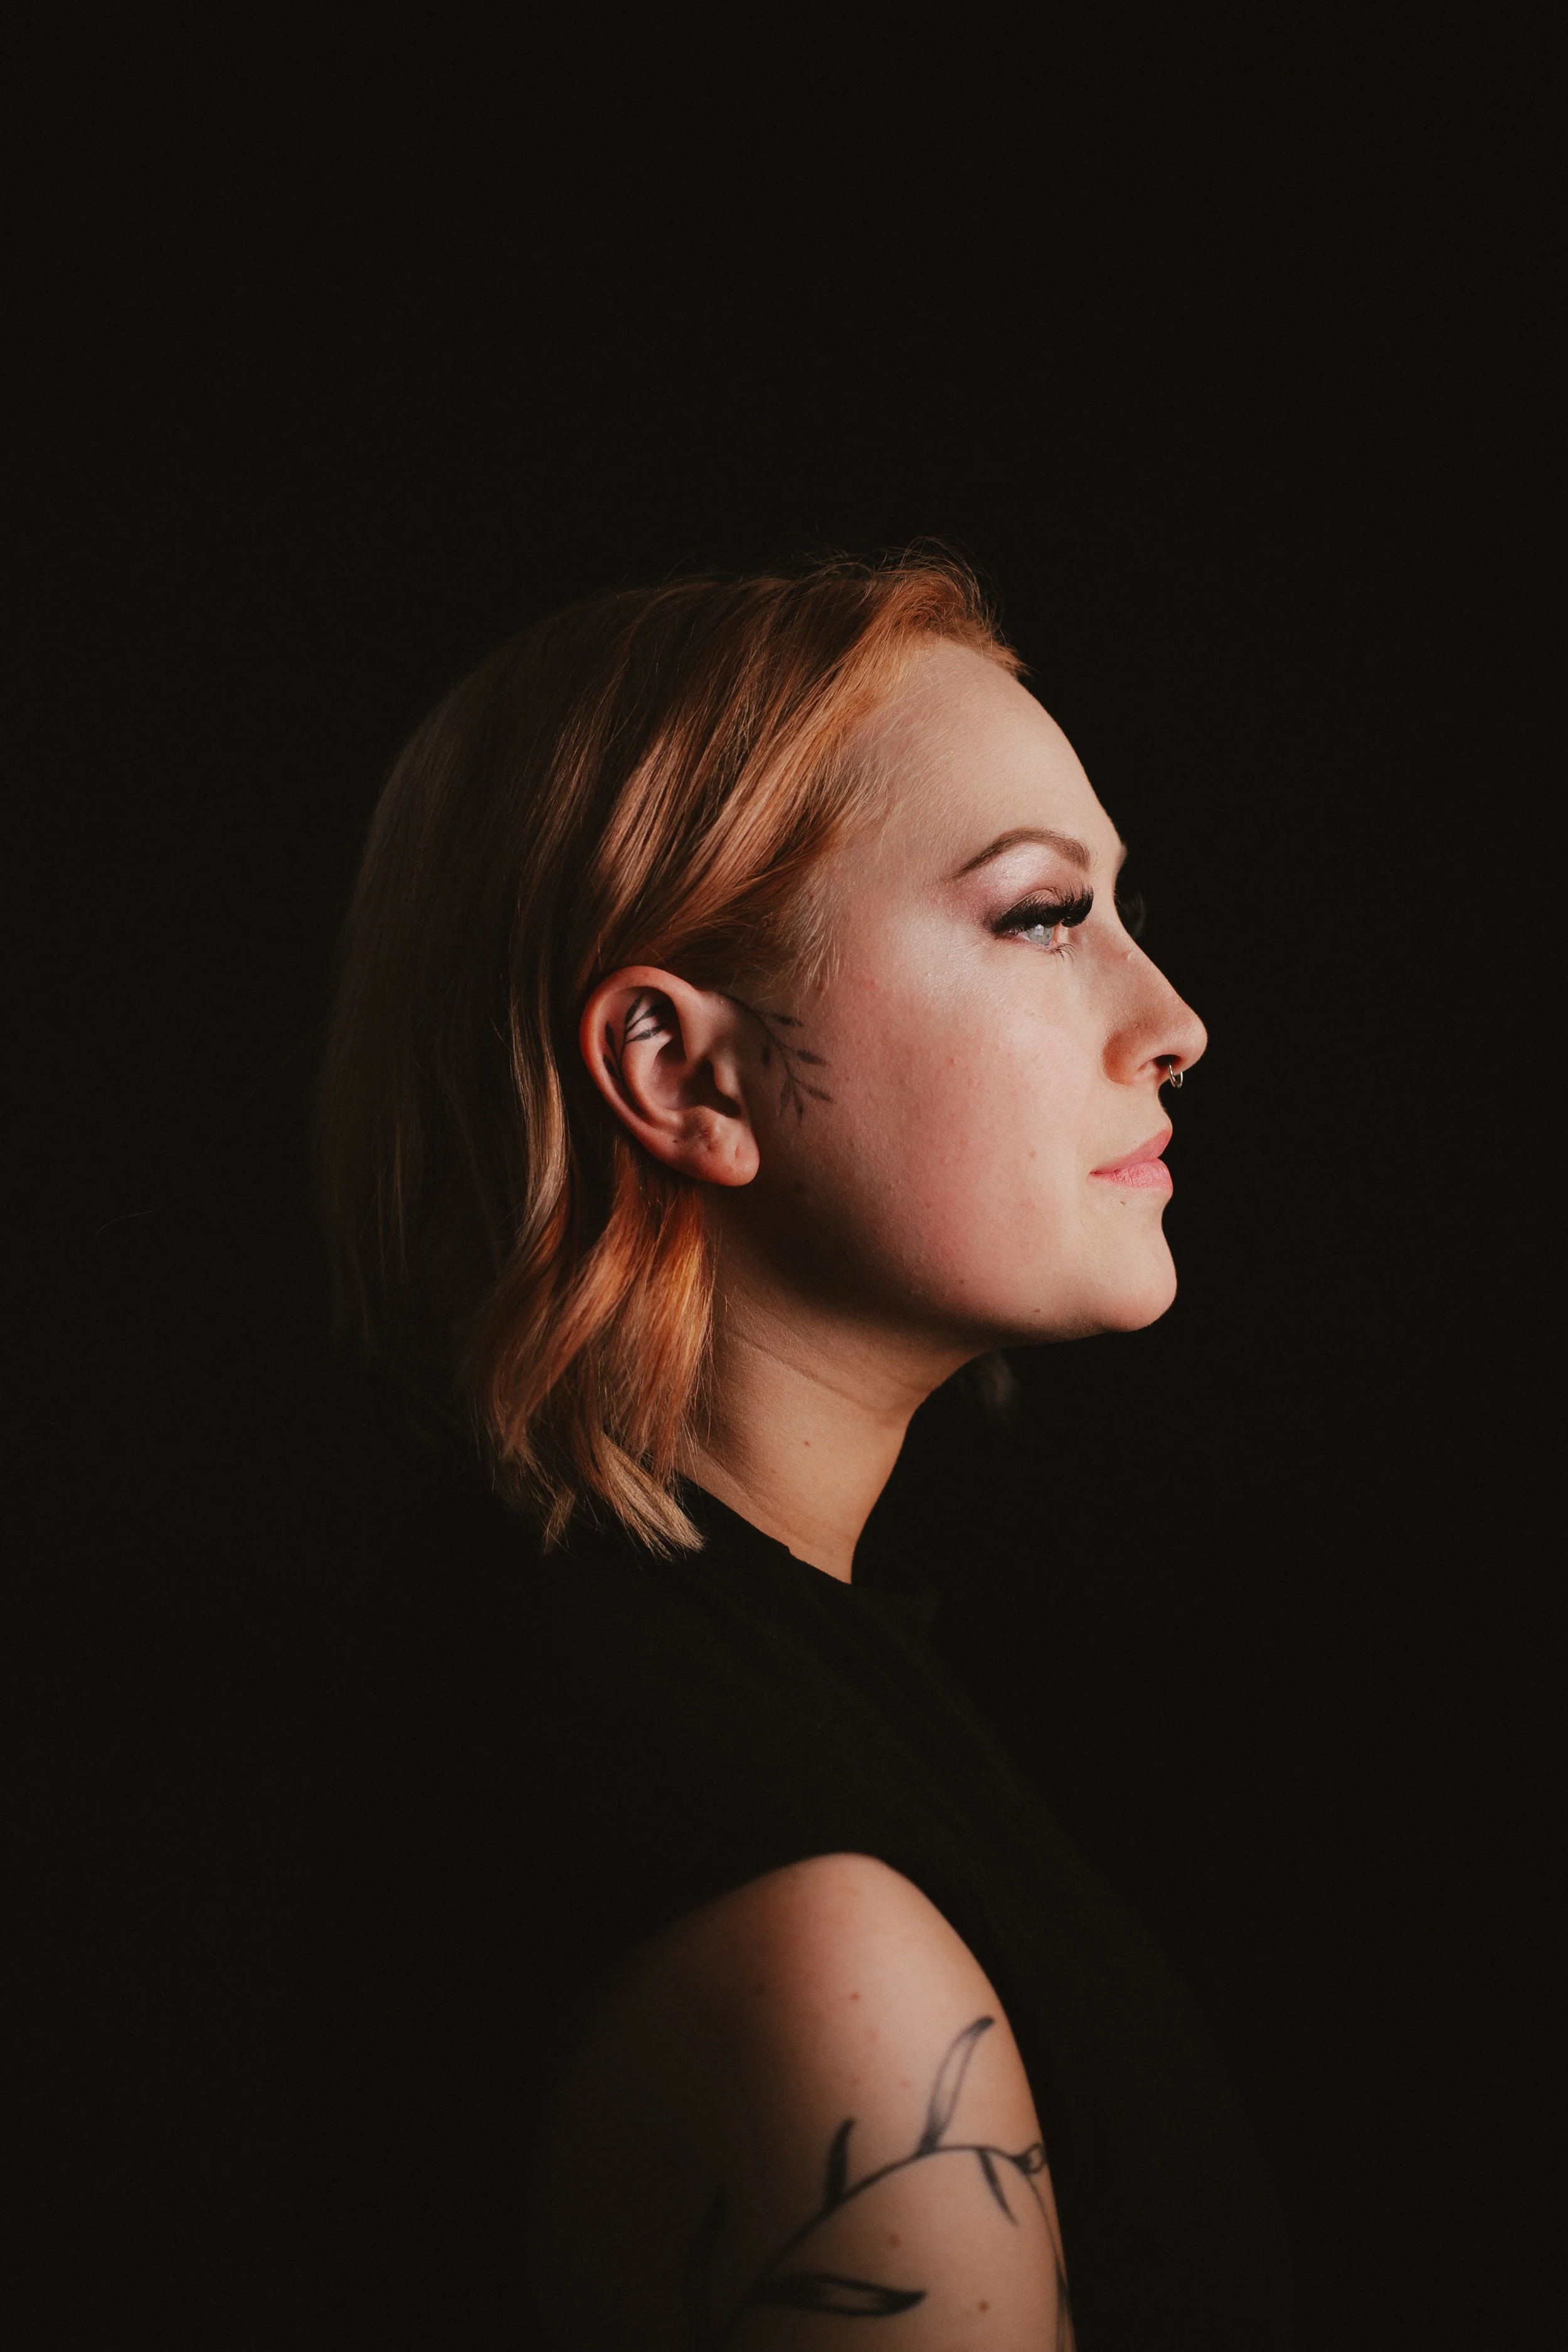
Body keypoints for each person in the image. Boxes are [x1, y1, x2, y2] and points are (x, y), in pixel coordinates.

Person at [315, 554, 1293, 2348]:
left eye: (1118, 906)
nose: (1171, 1024)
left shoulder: (660, 1676)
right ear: (681, 1072)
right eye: (1040, 915)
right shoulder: (805, 1945)